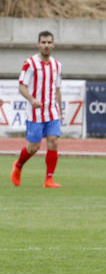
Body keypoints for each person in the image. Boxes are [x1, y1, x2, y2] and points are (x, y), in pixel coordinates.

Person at [11, 31, 63, 188]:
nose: (46, 45)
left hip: (52, 111)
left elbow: (58, 89)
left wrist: (59, 110)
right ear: (38, 44)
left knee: (53, 141)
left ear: (53, 45)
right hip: (35, 113)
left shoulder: (57, 65)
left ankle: (49, 179)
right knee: (34, 147)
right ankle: (18, 165)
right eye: (43, 42)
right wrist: (32, 99)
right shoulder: (30, 63)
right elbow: (21, 86)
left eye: (49, 42)